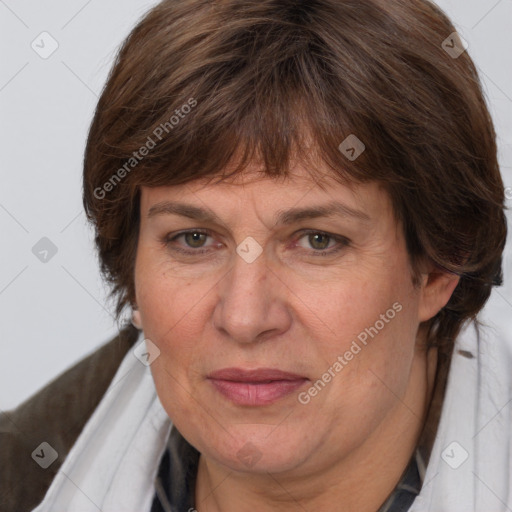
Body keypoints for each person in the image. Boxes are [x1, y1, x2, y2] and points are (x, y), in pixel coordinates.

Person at [1, 0, 510, 510]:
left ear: (442, 265)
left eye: (318, 240)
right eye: (193, 239)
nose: (244, 318)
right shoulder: (21, 476)